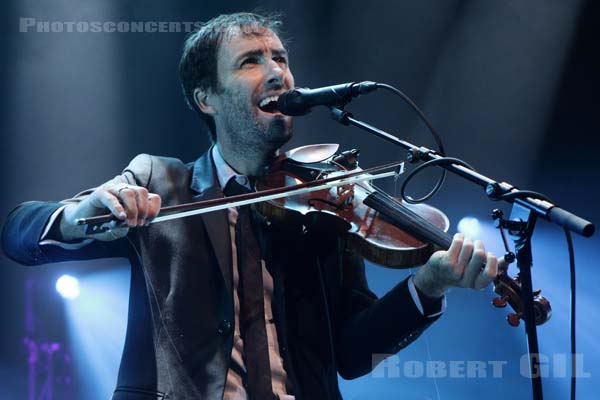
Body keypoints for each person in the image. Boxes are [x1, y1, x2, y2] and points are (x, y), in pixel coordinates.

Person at [1, 12, 502, 400]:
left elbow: (351, 354)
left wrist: (428, 287)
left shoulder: (325, 204)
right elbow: (19, 234)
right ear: (206, 98)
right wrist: (78, 213)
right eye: (251, 61)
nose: (277, 72)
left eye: (280, 58)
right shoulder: (161, 181)